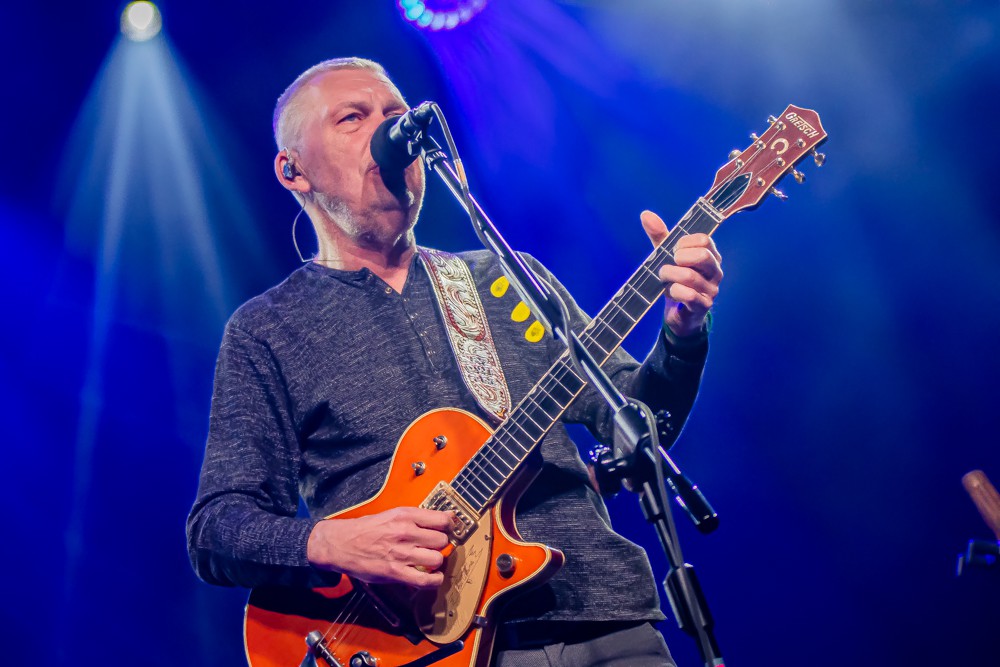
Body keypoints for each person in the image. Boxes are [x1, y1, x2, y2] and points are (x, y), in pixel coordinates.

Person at [186, 57, 723, 667]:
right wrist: (332, 541)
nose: (388, 132)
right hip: (417, 648)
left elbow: (641, 422)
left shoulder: (506, 276)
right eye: (352, 118)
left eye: (395, 114)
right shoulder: (268, 329)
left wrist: (683, 332)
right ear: (294, 170)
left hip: (606, 620)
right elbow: (217, 528)